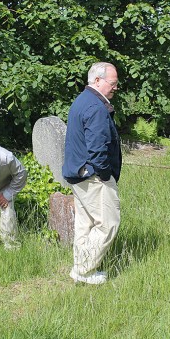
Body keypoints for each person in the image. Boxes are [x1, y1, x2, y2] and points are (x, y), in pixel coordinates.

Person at [62, 62, 122, 285]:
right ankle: (83, 270)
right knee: (108, 223)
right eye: (112, 83)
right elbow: (98, 147)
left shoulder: (81, 101)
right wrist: (105, 175)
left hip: (79, 174)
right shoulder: (95, 106)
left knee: (85, 224)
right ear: (97, 81)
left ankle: (82, 269)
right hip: (93, 176)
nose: (115, 87)